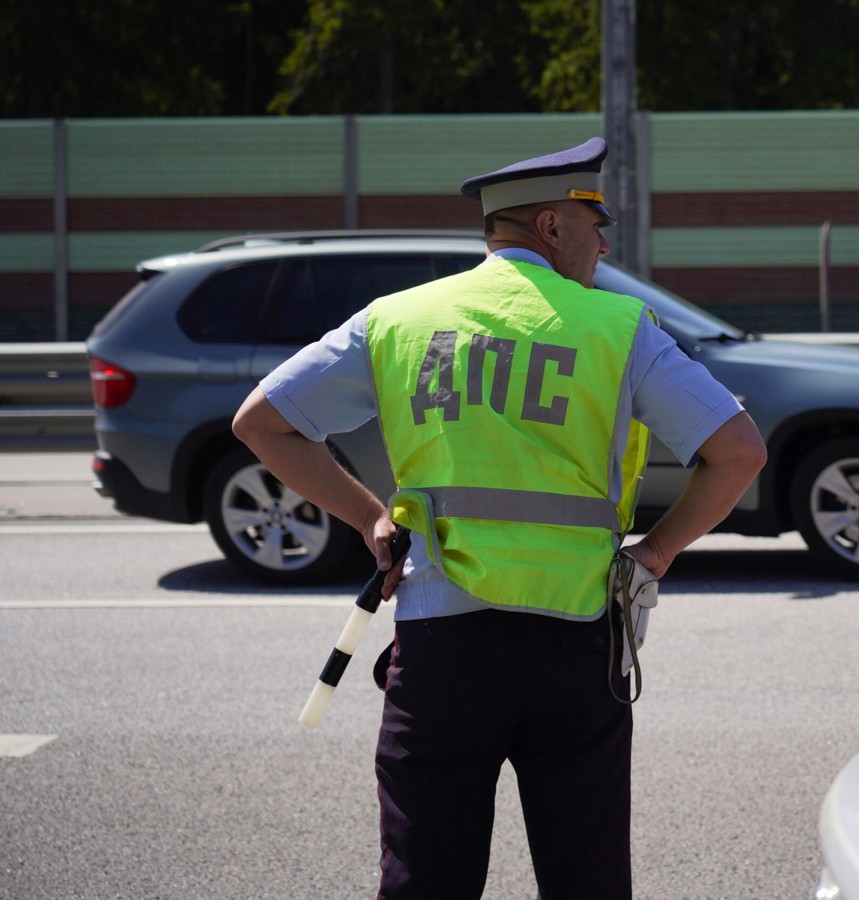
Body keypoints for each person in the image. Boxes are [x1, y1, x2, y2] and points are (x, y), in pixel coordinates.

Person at [232, 136, 766, 900]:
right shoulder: (618, 328)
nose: (604, 241)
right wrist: (655, 553)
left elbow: (261, 423)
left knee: (427, 880)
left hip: (440, 642)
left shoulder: (398, 319)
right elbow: (739, 452)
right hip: (575, 641)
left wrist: (367, 515)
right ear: (552, 227)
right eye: (594, 222)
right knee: (584, 878)